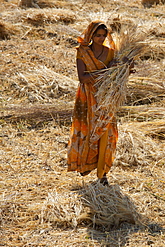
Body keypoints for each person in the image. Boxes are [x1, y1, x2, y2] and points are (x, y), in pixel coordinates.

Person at [67, 21, 118, 186]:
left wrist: (124, 69)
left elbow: (116, 74)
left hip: (105, 98)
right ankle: (85, 164)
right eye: (98, 35)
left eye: (104, 35)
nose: (101, 38)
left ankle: (102, 174)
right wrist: (107, 71)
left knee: (105, 132)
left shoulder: (111, 53)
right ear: (90, 35)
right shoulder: (82, 52)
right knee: (87, 130)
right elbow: (82, 78)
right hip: (87, 98)